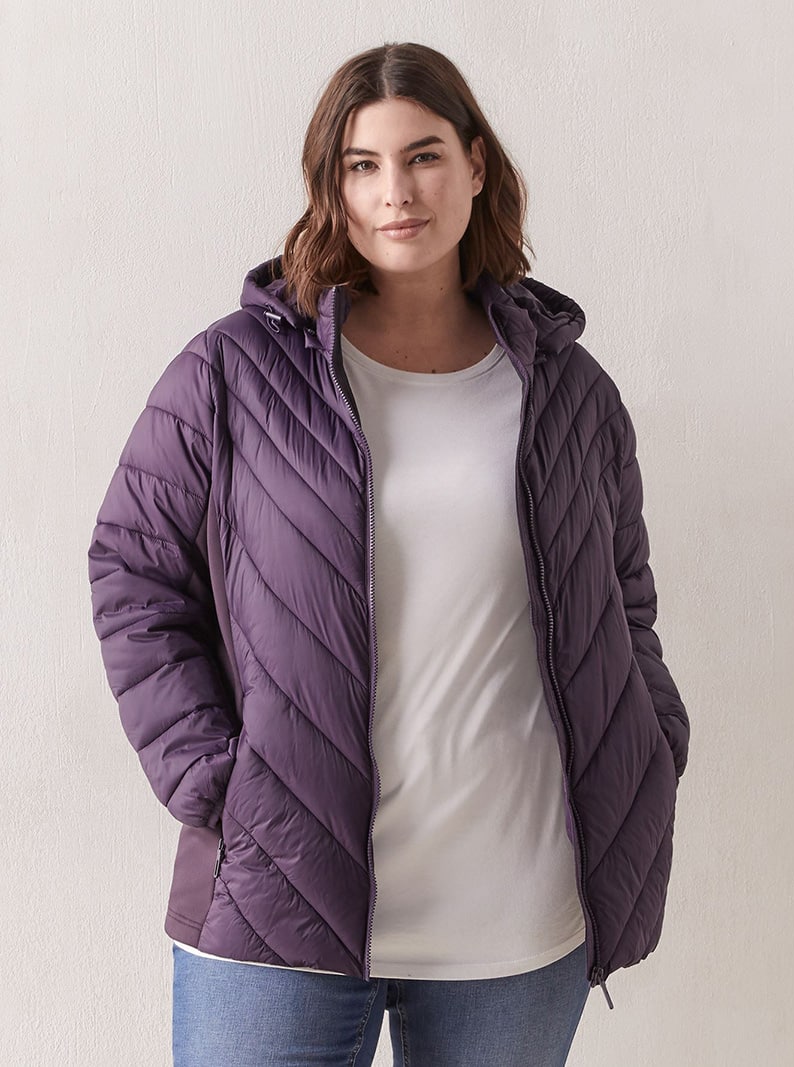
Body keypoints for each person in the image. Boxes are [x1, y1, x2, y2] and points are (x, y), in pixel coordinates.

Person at [87, 41, 689, 1067]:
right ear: (330, 187)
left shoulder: (567, 390)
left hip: (516, 912)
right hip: (280, 899)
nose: (395, 192)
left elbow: (623, 600)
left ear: (475, 165)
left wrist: (652, 740)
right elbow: (133, 573)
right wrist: (213, 780)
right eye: (360, 165)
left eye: (423, 157)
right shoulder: (233, 372)